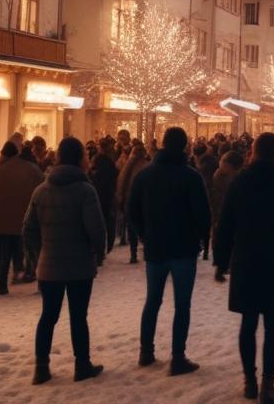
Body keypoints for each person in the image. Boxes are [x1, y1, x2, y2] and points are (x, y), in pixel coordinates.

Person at [214, 133, 274, 403]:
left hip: (247, 261)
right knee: (272, 324)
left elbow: (225, 225)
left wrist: (221, 260)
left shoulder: (239, 185)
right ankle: (268, 382)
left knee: (248, 322)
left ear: (253, 152)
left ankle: (249, 380)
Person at [22, 137, 106, 385]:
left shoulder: (42, 189)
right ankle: (82, 365)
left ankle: (41, 367)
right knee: (79, 316)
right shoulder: (85, 190)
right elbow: (97, 230)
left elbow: (28, 229)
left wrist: (41, 253)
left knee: (48, 315)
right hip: (80, 264)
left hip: (49, 265)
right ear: (81, 158)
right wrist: (96, 253)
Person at [128, 127, 211, 375]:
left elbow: (131, 209)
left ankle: (146, 351)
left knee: (152, 300)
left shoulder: (145, 175)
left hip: (155, 247)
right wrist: (201, 238)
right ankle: (177, 357)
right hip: (184, 248)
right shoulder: (191, 177)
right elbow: (203, 214)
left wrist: (144, 233)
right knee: (182, 304)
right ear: (185, 146)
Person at [0, 141, 42, 294]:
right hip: (25, 216)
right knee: (31, 250)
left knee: (5, 252)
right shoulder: (32, 169)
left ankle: (2, 284)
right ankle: (39, 282)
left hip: (1, 218)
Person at [115, 142, 150, 264]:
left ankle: (133, 252)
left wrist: (121, 198)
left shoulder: (127, 166)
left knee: (132, 226)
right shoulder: (147, 166)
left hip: (131, 200)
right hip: (145, 201)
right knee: (145, 225)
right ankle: (145, 249)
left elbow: (121, 182)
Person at [88, 138, 119, 255]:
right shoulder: (109, 163)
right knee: (108, 223)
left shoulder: (95, 161)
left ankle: (99, 251)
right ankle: (105, 249)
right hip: (107, 195)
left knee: (100, 224)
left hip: (98, 195)